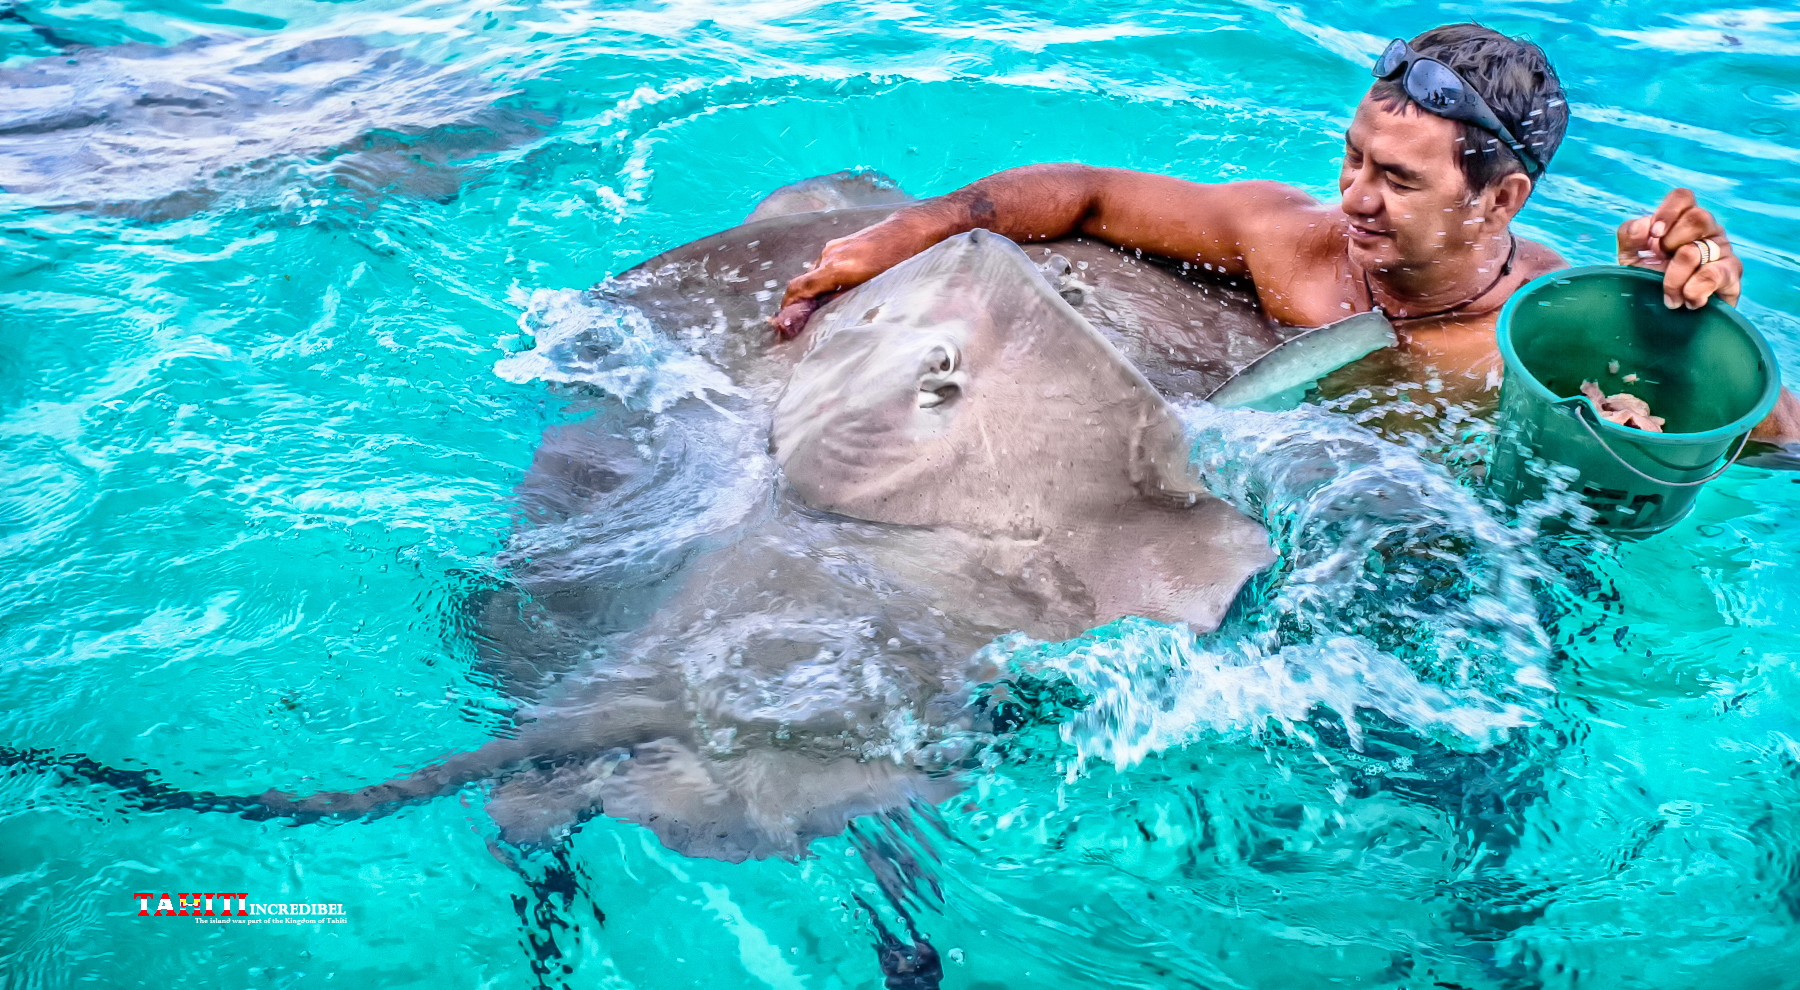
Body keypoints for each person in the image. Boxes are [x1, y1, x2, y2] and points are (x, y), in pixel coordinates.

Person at [770, 23, 1799, 444]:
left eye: (1396, 181)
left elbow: (1778, 449)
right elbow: (1081, 190)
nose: (1352, 197)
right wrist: (910, 231)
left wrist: (1681, 343)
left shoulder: (1541, 329)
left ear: (1500, 201)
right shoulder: (1289, 238)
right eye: (1352, 157)